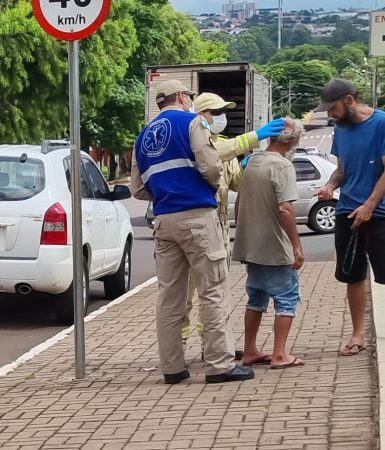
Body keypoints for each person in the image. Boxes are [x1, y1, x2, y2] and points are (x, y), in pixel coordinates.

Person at [131, 79, 254, 384]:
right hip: (198, 216)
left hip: (164, 221)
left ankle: (172, 368)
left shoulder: (143, 137)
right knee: (212, 290)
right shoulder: (193, 122)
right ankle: (219, 365)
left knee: (169, 298)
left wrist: (166, 193)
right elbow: (211, 167)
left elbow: (136, 189)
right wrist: (210, 187)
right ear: (183, 97)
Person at [181, 92, 285, 361]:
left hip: (217, 234)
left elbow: (238, 183)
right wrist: (253, 138)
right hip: (193, 231)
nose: (220, 118)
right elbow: (213, 154)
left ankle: (211, 348)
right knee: (184, 299)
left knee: (214, 296)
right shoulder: (193, 143)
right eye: (214, 113)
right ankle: (177, 351)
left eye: (222, 112)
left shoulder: (227, 146)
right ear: (199, 116)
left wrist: (251, 167)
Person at [314, 78, 385, 356]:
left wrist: (370, 204)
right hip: (347, 211)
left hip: (379, 212)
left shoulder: (380, 123)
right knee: (352, 274)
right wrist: (330, 185)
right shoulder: (341, 129)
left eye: (333, 108)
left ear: (350, 100)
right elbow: (341, 170)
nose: (330, 115)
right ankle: (358, 334)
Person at [232, 118, 305, 369]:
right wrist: (296, 245)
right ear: (293, 141)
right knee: (286, 299)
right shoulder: (282, 167)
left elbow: (240, 203)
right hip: (275, 248)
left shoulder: (253, 162)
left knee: (256, 299)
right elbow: (285, 209)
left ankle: (250, 350)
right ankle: (280, 354)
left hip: (251, 246)